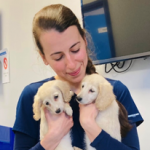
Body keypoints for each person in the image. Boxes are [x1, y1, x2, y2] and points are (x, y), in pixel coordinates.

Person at [13, 4, 143, 150]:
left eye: (75, 49)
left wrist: (91, 127)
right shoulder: (35, 96)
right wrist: (53, 137)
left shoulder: (115, 91)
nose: (71, 64)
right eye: (58, 57)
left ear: (85, 40)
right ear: (44, 58)